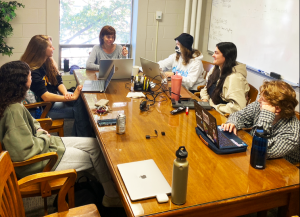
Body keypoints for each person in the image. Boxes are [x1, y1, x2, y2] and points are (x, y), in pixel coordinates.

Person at [0, 61, 122, 207]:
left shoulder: (14, 101)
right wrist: (43, 136)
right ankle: (110, 196)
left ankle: (106, 189)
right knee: (95, 158)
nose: (31, 79)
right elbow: (22, 153)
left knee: (96, 145)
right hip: (41, 161)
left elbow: (34, 123)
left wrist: (39, 130)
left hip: (46, 146)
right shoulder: (13, 110)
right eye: (29, 76)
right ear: (20, 82)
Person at [21, 35, 93, 137]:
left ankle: (83, 137)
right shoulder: (33, 71)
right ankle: (85, 137)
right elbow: (45, 96)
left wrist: (66, 93)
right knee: (83, 110)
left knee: (82, 102)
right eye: (50, 47)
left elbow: (58, 82)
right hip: (44, 108)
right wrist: (69, 98)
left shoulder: (47, 62)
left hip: (52, 102)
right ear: (41, 50)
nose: (53, 48)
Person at [221, 80, 299, 164]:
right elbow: (239, 115)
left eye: (263, 100)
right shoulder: (259, 106)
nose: (258, 100)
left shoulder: (292, 131)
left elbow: (261, 150)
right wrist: (232, 123)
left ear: (277, 109)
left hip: (280, 168)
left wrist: (266, 116)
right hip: (251, 156)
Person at [200, 42, 250, 115]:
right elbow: (207, 88)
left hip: (222, 116)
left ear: (226, 56)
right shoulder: (216, 69)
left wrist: (214, 107)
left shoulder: (235, 78)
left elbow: (238, 107)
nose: (213, 55)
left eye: (216, 53)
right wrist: (205, 100)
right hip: (210, 110)